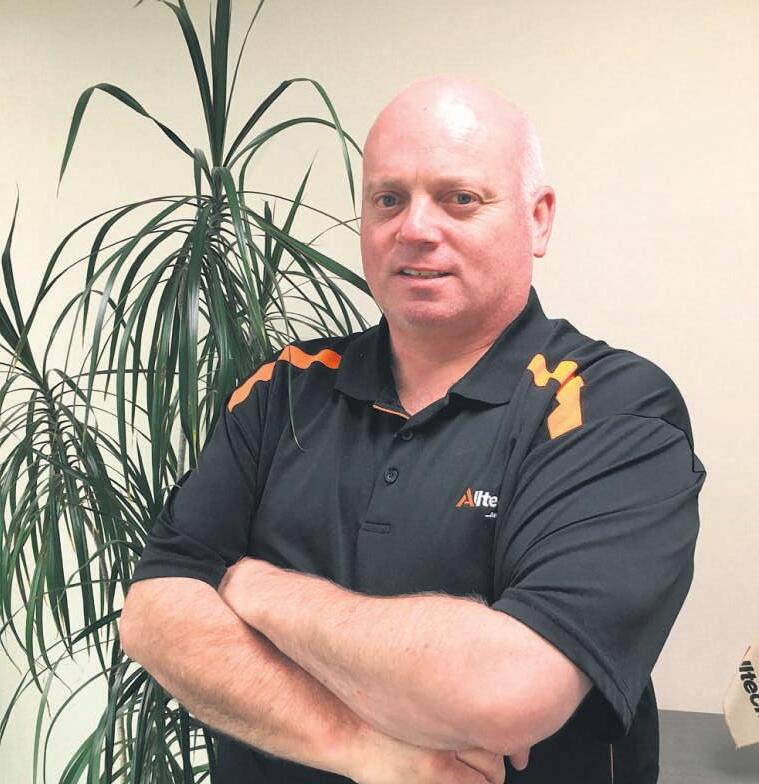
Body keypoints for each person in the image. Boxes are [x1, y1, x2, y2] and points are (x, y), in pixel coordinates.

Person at [119, 75, 706, 784]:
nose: (416, 229)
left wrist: (255, 588)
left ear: (538, 219)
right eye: (388, 199)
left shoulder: (613, 408)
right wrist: (363, 749)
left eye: (460, 199)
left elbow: (505, 690)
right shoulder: (284, 387)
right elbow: (153, 614)